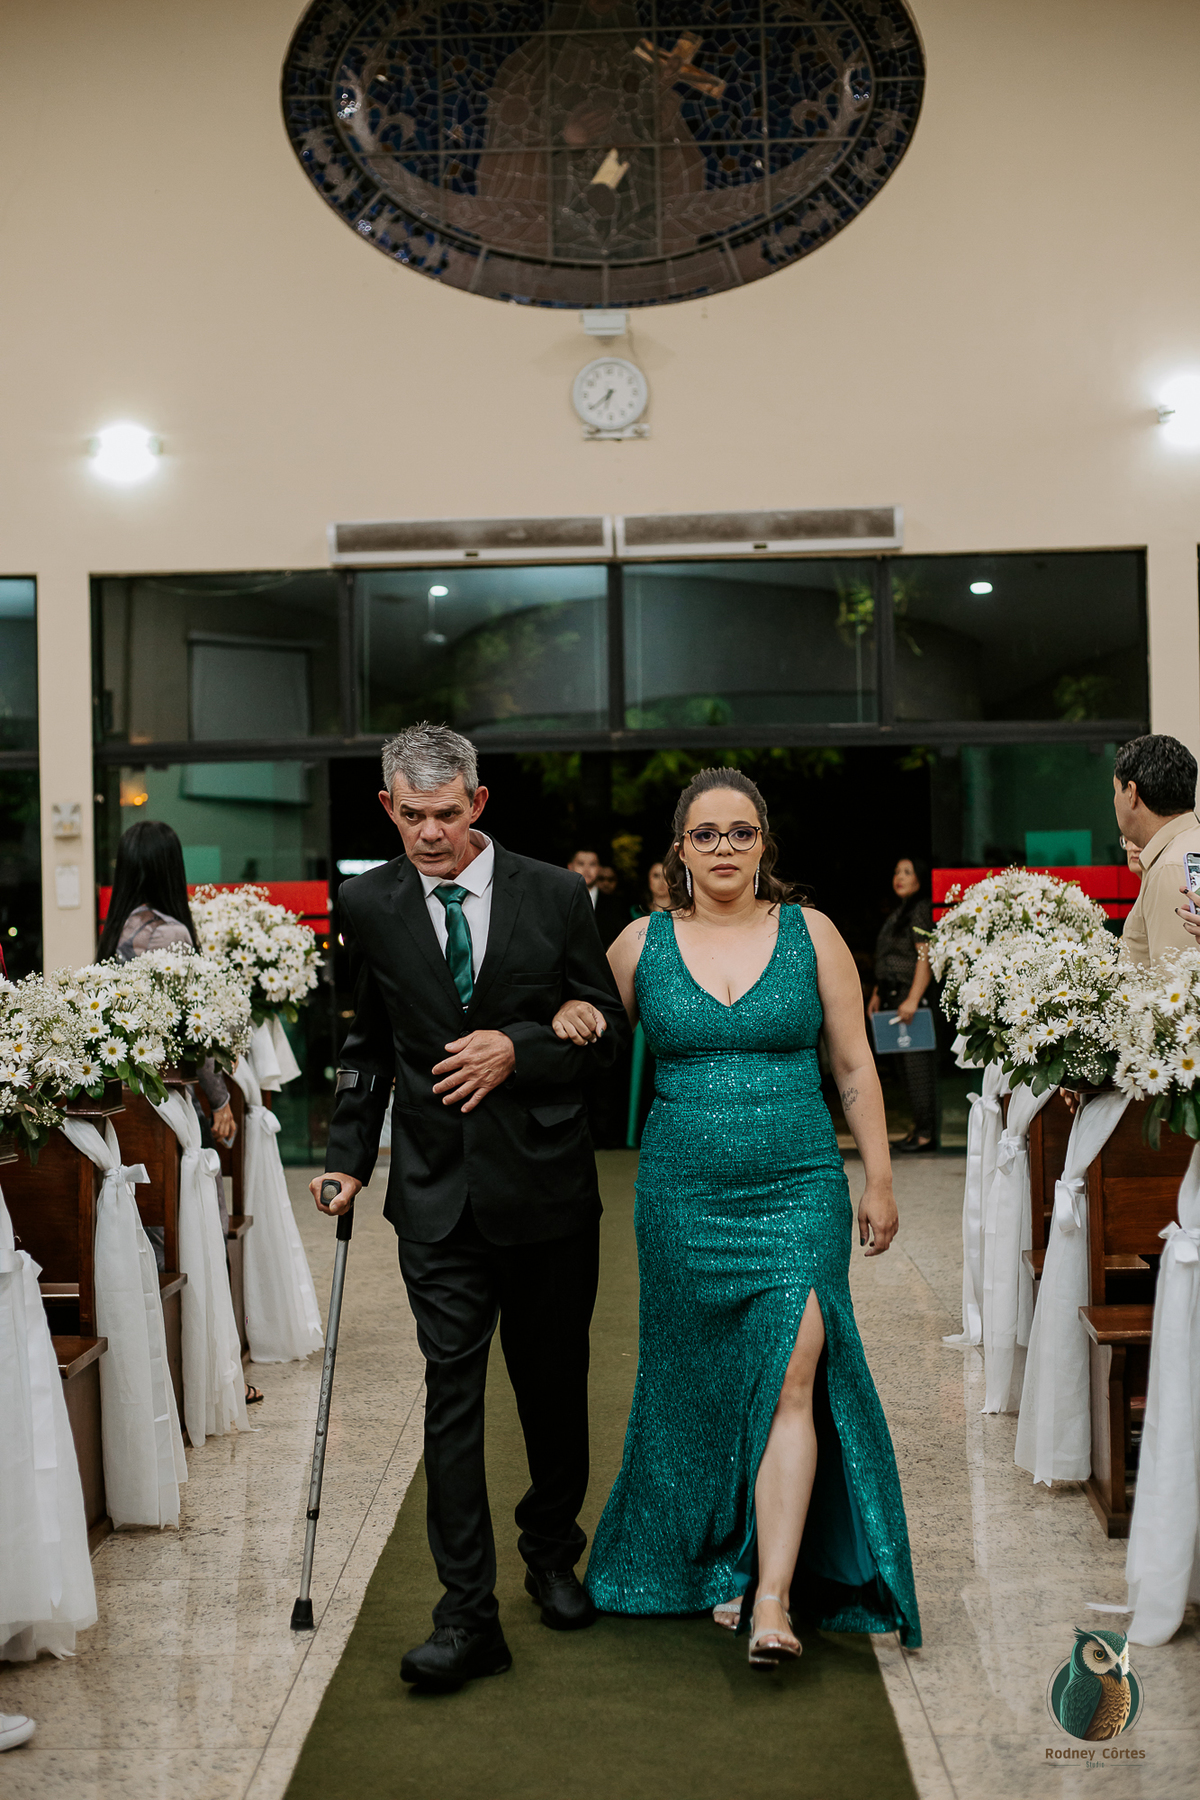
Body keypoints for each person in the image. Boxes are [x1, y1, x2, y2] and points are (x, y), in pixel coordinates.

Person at [552, 767, 920, 1663]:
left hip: (799, 1188)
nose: (724, 847)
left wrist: (877, 1178)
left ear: (765, 845)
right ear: (680, 848)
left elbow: (855, 1067)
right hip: (680, 1199)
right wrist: (565, 1013)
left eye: (741, 832)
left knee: (796, 1367)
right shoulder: (638, 944)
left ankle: (774, 1598)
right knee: (700, 1383)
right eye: (707, 834)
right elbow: (583, 1038)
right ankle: (722, 1553)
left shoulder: (813, 933)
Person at [314, 723, 627, 1692]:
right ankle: (466, 1616)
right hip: (434, 1196)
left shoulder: (556, 894)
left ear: (478, 804)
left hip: (546, 1191)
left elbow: (608, 1032)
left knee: (551, 1388)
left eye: (446, 814)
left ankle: (552, 1552)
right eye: (412, 815)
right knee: (451, 1397)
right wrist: (346, 1158)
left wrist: (522, 1047)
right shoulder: (367, 904)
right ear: (388, 808)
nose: (430, 833)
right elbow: (368, 1043)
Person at [96, 820, 261, 1405]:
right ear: (172, 869)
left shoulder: (113, 933)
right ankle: (215, 1377)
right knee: (199, 1234)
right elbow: (192, 1035)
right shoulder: (171, 934)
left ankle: (169, 1378)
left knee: (155, 1234)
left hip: (126, 1109)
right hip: (169, 1107)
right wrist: (220, 1100)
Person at [867, 857, 938, 1154]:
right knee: (904, 1071)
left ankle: (926, 1134)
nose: (899, 876)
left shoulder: (920, 910)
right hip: (892, 997)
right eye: (897, 871)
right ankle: (917, 1129)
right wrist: (877, 994)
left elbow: (925, 956)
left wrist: (913, 998)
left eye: (907, 872)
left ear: (920, 878)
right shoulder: (899, 913)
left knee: (917, 1068)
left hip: (911, 999)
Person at [1112, 735, 1200, 964]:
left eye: (1115, 791)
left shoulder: (1172, 865)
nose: (1114, 801)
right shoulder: (1178, 851)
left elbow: (1178, 979)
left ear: (1132, 793)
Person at [567, 847, 627, 950]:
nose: (586, 870)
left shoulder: (615, 904)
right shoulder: (558, 899)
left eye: (592, 864)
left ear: (599, 869)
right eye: (581, 864)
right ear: (570, 867)